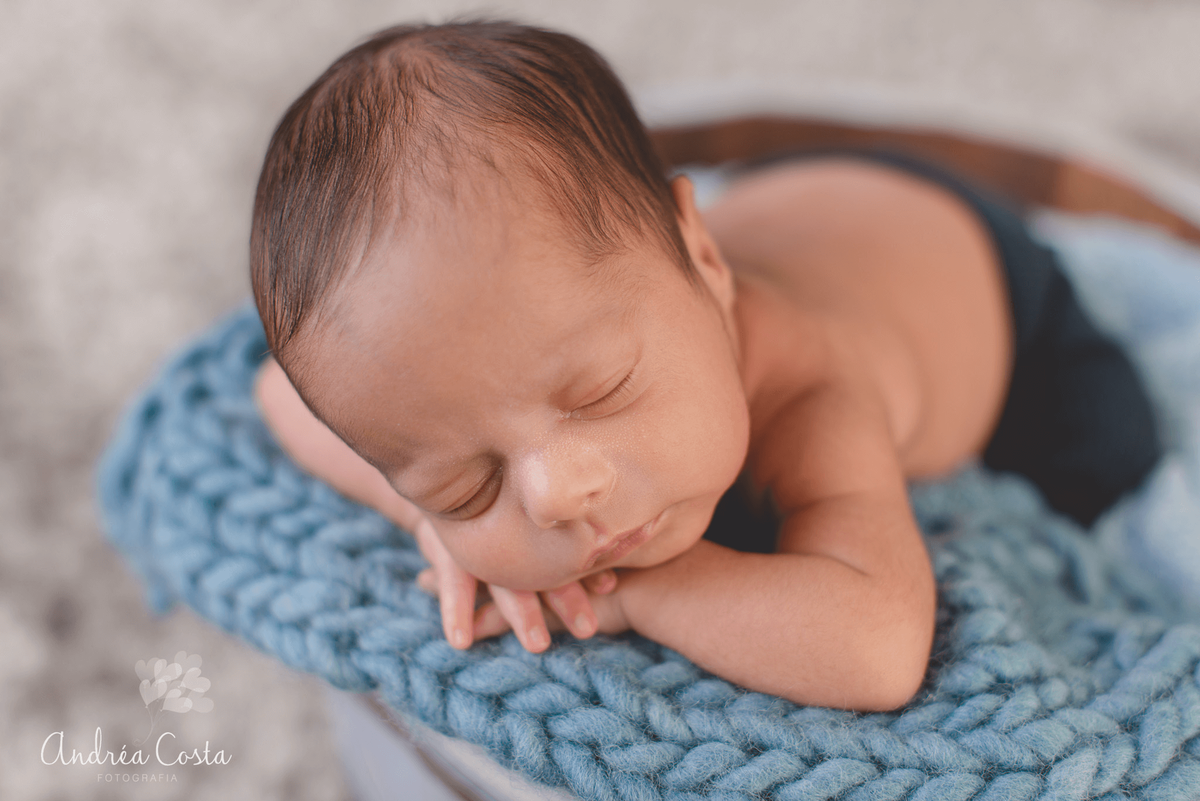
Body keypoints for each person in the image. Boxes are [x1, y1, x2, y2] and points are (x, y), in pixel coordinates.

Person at [250, 20, 1161, 711]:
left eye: (600, 392)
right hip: (799, 213)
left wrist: (647, 591)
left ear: (706, 261)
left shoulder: (813, 393)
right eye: (467, 483)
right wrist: (423, 518)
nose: (558, 492)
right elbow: (278, 394)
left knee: (1111, 449)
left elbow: (877, 650)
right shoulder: (552, 351)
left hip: (990, 279)